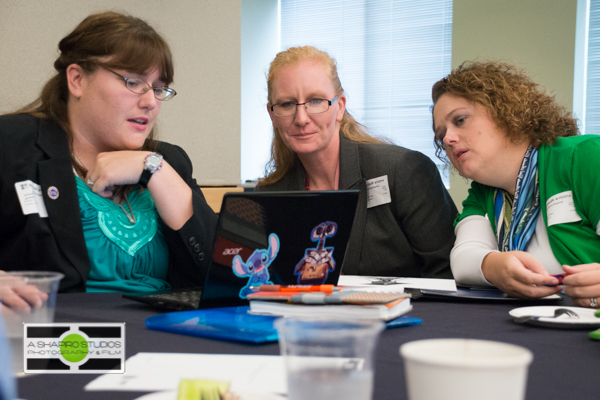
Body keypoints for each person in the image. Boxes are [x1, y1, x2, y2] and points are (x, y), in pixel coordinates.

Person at [0, 12, 217, 293]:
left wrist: (152, 169)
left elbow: (232, 277)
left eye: (158, 87)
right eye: (133, 81)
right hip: (63, 333)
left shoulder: (168, 162)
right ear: (77, 79)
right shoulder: (13, 144)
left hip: (160, 332)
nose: (150, 101)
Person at [256, 46, 457, 278]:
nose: (301, 118)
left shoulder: (402, 170)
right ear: (272, 115)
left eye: (316, 101)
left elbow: (448, 274)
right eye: (287, 104)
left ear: (339, 107)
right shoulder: (271, 194)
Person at [432, 61, 600, 308]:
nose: (448, 138)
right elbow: (463, 259)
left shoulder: (584, 157)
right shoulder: (482, 191)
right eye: (440, 134)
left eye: (460, 120)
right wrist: (493, 266)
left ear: (507, 111)